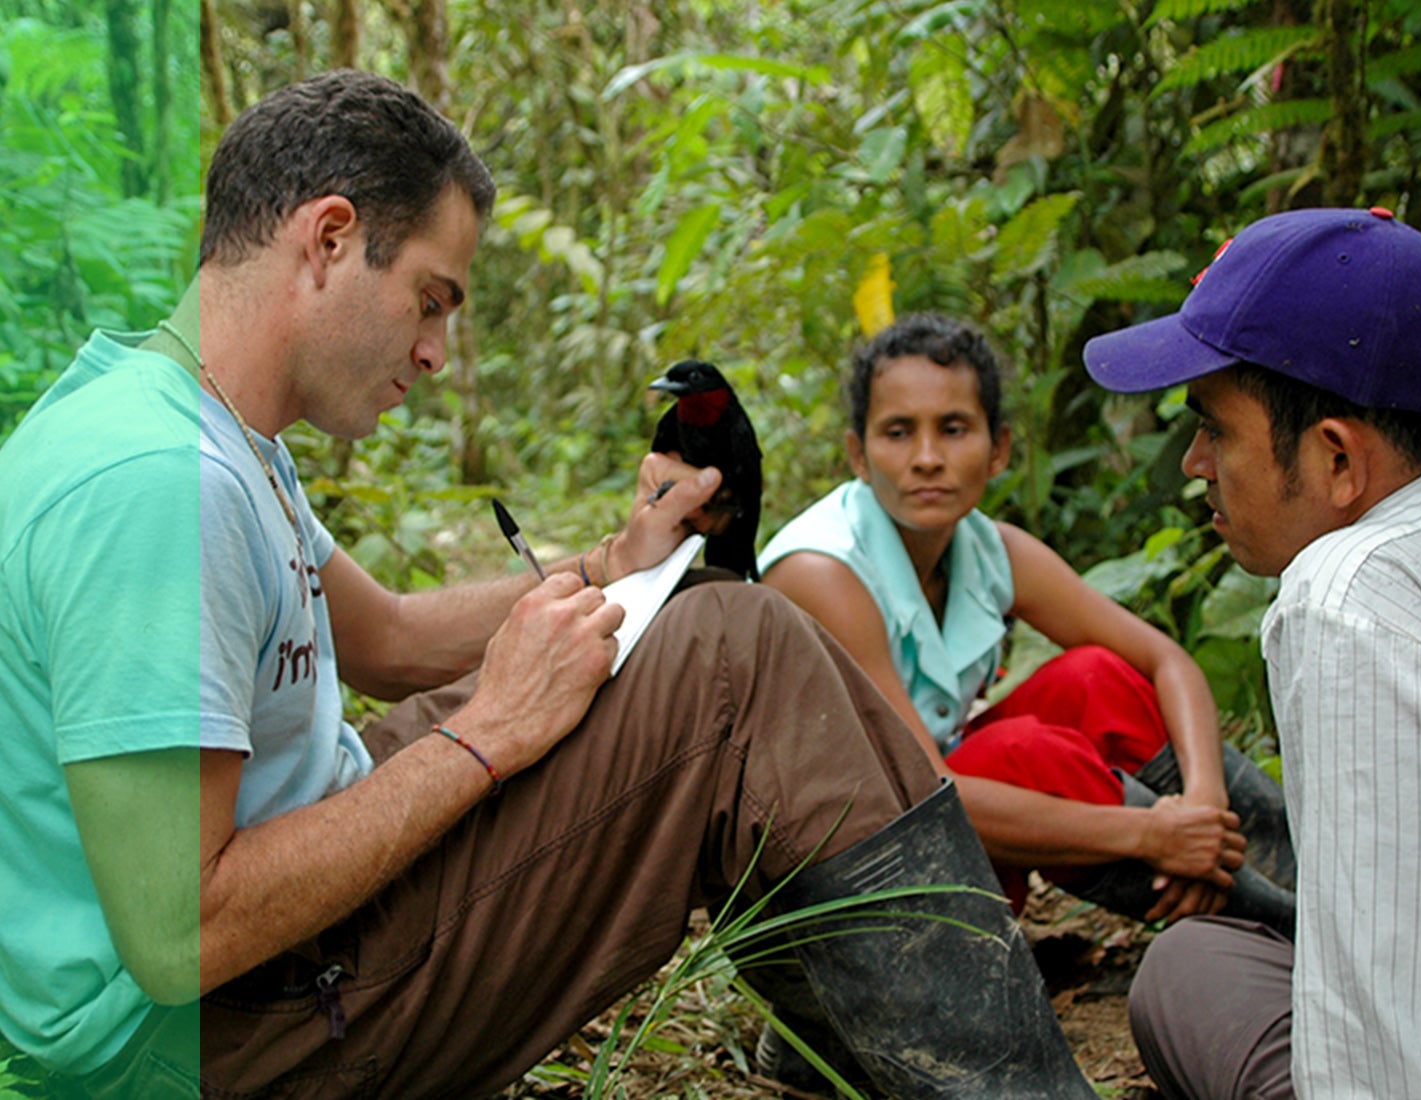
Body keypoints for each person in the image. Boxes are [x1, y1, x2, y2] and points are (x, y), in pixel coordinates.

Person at [0, 69, 1101, 1100]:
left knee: (699, 619)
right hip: (227, 1036)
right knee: (734, 652)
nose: (435, 350)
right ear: (329, 238)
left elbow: (381, 638)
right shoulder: (156, 486)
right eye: (431, 300)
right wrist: (486, 734)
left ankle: (865, 1047)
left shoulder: (191, 429)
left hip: (275, 948)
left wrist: (609, 569)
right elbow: (179, 930)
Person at [1084, 206, 1421, 1099]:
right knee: (1199, 962)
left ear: (1336, 457)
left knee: (1188, 979)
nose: (1193, 462)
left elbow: (1389, 1068)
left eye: (1215, 427)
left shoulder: (1354, 598)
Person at [759, 312, 1295, 930]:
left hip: (924, 830)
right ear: (858, 453)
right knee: (1024, 754)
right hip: (829, 879)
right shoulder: (821, 570)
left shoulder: (989, 549)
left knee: (1097, 678)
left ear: (999, 450)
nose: (928, 458)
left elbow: (1164, 660)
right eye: (899, 432)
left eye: (954, 428)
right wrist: (1151, 834)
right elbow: (923, 790)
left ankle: (1303, 877)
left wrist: (1202, 805)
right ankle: (1279, 926)